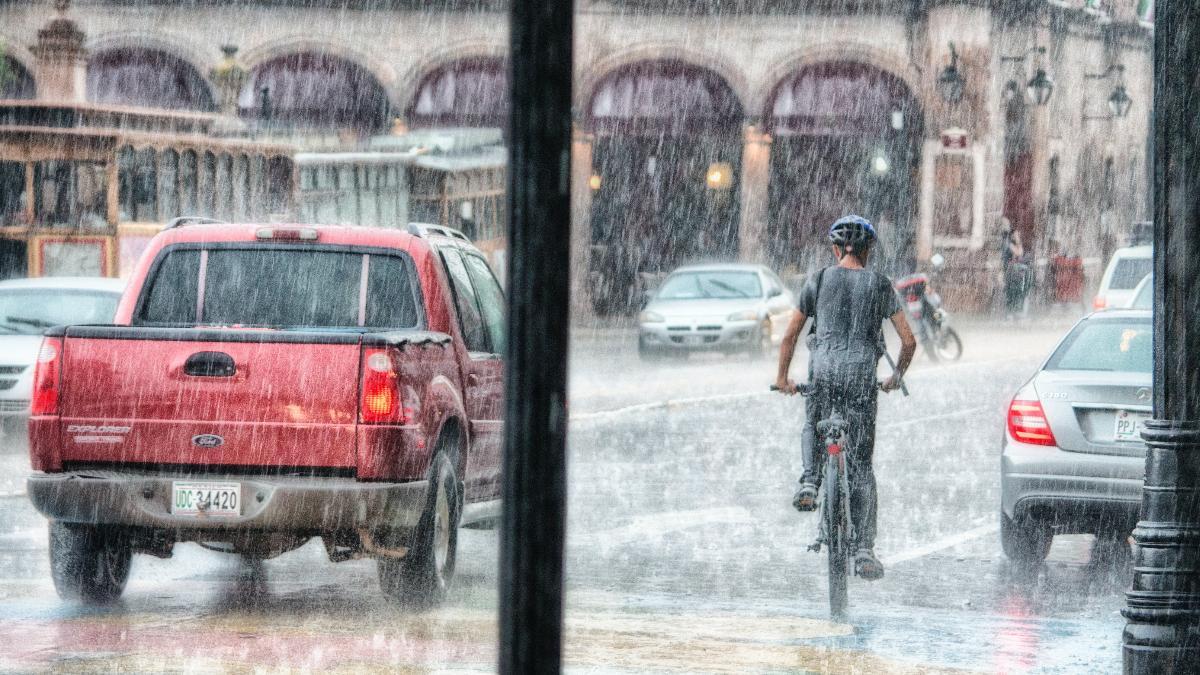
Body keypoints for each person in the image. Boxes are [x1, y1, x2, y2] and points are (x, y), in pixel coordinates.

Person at [773, 215, 917, 581]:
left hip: (822, 374)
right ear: (868, 251)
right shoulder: (880, 285)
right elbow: (909, 340)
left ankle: (809, 480)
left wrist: (782, 378)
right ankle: (865, 549)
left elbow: (790, 336)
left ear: (836, 249)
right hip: (860, 381)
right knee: (862, 467)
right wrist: (895, 376)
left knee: (813, 421)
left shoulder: (818, 279)